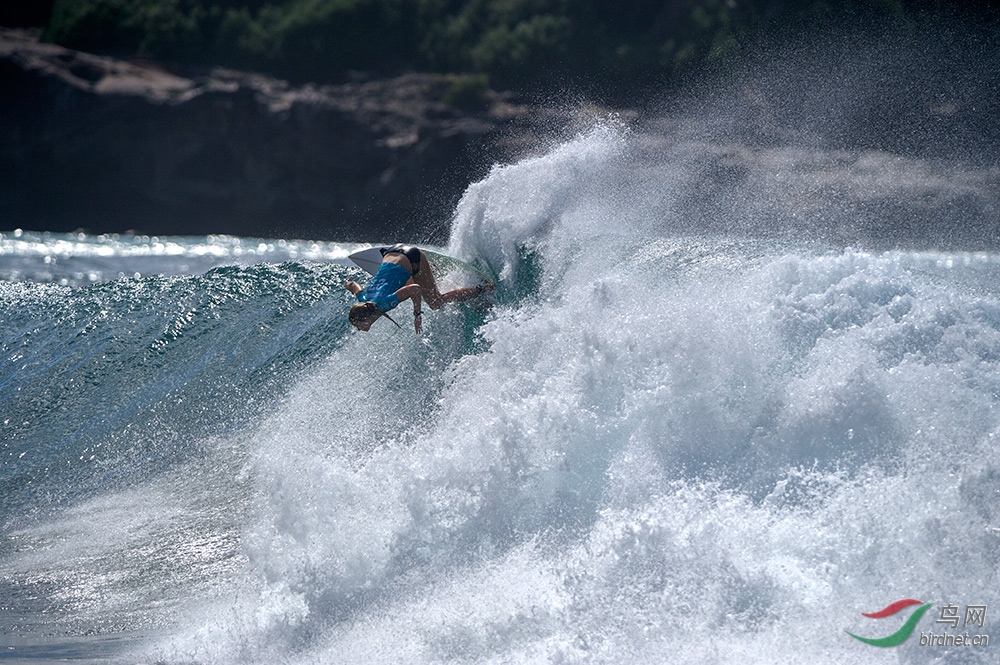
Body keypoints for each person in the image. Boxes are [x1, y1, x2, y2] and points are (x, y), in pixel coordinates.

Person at [345, 244, 491, 333]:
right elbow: (354, 287)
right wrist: (347, 283)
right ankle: (429, 270)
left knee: (436, 302)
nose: (358, 329)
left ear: (365, 319)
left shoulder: (384, 304)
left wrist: (417, 315)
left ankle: (483, 288)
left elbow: (415, 289)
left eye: (358, 325)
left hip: (414, 258)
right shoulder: (363, 300)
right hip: (392, 252)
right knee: (403, 282)